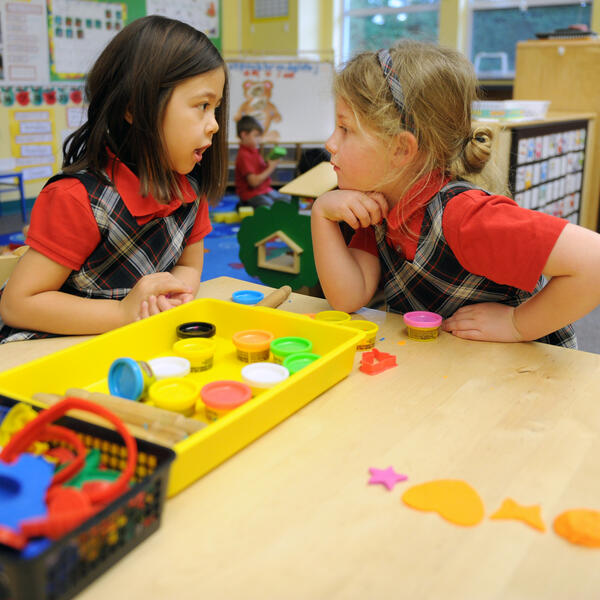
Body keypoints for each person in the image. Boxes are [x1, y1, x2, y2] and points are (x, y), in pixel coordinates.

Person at [311, 41, 600, 348]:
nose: (330, 142)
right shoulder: (378, 203)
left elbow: (593, 261)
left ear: (401, 149)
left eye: (345, 128)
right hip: (458, 367)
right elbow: (348, 296)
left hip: (527, 372)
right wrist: (322, 215)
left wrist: (516, 325)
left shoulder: (464, 216)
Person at [0, 16, 228, 343]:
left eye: (216, 108)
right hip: (50, 349)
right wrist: (122, 313)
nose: (214, 125)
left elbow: (189, 266)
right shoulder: (78, 199)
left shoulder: (189, 190)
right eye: (202, 106)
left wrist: (173, 295)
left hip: (127, 342)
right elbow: (18, 305)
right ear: (134, 108)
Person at [234, 115, 290, 208]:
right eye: (256, 136)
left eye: (260, 136)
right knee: (269, 207)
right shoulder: (244, 155)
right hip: (250, 194)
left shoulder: (254, 151)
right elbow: (254, 182)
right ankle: (243, 204)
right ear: (244, 135)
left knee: (287, 200)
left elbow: (260, 170)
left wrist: (269, 163)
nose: (259, 140)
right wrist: (271, 168)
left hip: (264, 190)